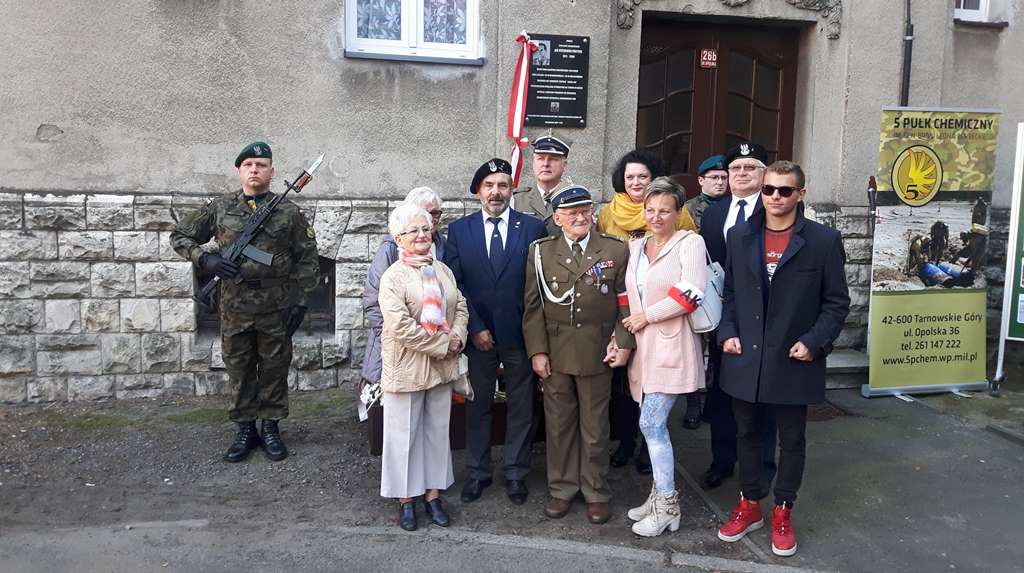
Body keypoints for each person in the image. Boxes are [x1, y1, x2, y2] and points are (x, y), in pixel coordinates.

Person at [715, 160, 849, 557]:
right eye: (769, 189)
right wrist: (727, 331)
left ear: (800, 194)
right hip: (746, 357)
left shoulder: (824, 240)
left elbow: (836, 303)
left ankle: (783, 509)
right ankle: (750, 503)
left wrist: (814, 341)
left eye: (784, 190)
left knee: (791, 439)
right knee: (746, 434)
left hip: (793, 359)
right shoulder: (740, 235)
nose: (775, 197)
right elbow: (730, 293)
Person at [170, 141, 320, 463]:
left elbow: (307, 258)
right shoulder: (220, 208)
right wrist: (205, 260)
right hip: (234, 305)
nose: (255, 170)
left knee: (274, 368)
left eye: (261, 165)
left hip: (276, 305)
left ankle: (271, 428)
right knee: (239, 368)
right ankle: (245, 429)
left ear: (271, 171)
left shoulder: (288, 212)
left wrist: (301, 301)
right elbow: (180, 236)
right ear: (239, 170)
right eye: (248, 164)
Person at [522, 185, 635, 525]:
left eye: (585, 211)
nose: (580, 218)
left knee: (596, 427)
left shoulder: (615, 249)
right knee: (558, 425)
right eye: (571, 213)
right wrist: (537, 351)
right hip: (556, 352)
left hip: (598, 351)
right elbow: (533, 307)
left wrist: (624, 341)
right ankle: (562, 489)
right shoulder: (541, 252)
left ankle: (596, 492)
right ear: (557, 218)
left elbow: (626, 300)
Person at [444, 159, 546, 506]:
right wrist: (475, 327)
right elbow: (456, 286)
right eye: (489, 186)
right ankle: (478, 472)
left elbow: (539, 284)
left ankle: (516, 472)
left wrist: (531, 331)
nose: (496, 192)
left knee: (521, 406)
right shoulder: (460, 231)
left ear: (511, 189)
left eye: (503, 185)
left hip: (521, 335)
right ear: (478, 191)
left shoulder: (532, 228)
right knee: (478, 406)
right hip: (479, 338)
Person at [597, 149, 698, 470]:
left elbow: (689, 270)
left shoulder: (681, 219)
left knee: (656, 397)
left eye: (643, 176)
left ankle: (648, 450)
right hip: (622, 307)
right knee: (625, 387)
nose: (636, 182)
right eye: (630, 177)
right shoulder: (609, 213)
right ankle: (626, 442)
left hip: (663, 317)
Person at [618, 177, 707, 537]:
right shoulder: (636, 246)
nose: (656, 217)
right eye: (650, 210)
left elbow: (693, 293)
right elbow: (626, 296)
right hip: (643, 349)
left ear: (678, 212)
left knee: (652, 424)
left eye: (664, 211)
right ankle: (657, 496)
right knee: (650, 423)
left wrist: (647, 316)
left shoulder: (690, 243)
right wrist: (621, 337)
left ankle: (669, 505)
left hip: (673, 345)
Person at [377, 203, 469, 532]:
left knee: (436, 432)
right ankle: (406, 500)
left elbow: (460, 306)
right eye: (413, 230)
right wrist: (445, 344)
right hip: (407, 367)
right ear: (398, 238)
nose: (421, 235)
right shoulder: (393, 276)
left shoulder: (442, 270)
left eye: (426, 229)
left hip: (441, 368)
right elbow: (400, 327)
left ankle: (433, 494)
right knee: (404, 434)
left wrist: (458, 336)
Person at [697, 142, 778, 490]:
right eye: (735, 168)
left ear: (763, 174)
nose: (741, 174)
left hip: (764, 316)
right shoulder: (714, 213)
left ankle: (760, 467)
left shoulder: (776, 208)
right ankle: (722, 459)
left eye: (749, 167)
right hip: (723, 315)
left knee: (762, 395)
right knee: (722, 391)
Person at [359, 187, 446, 420]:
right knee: (400, 420)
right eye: (425, 213)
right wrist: (393, 341)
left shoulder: (442, 244)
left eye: (436, 213)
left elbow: (453, 297)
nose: (430, 219)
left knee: (431, 418)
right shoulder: (391, 249)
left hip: (435, 348)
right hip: (402, 349)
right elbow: (373, 301)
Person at [515, 131, 572, 236]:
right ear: (533, 163)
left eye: (553, 159)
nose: (545, 164)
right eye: (540, 158)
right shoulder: (516, 200)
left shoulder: (575, 199)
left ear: (564, 165)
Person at [683, 154, 729, 231]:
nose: (720, 182)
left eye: (724, 178)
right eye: (714, 177)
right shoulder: (690, 208)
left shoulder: (733, 205)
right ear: (701, 180)